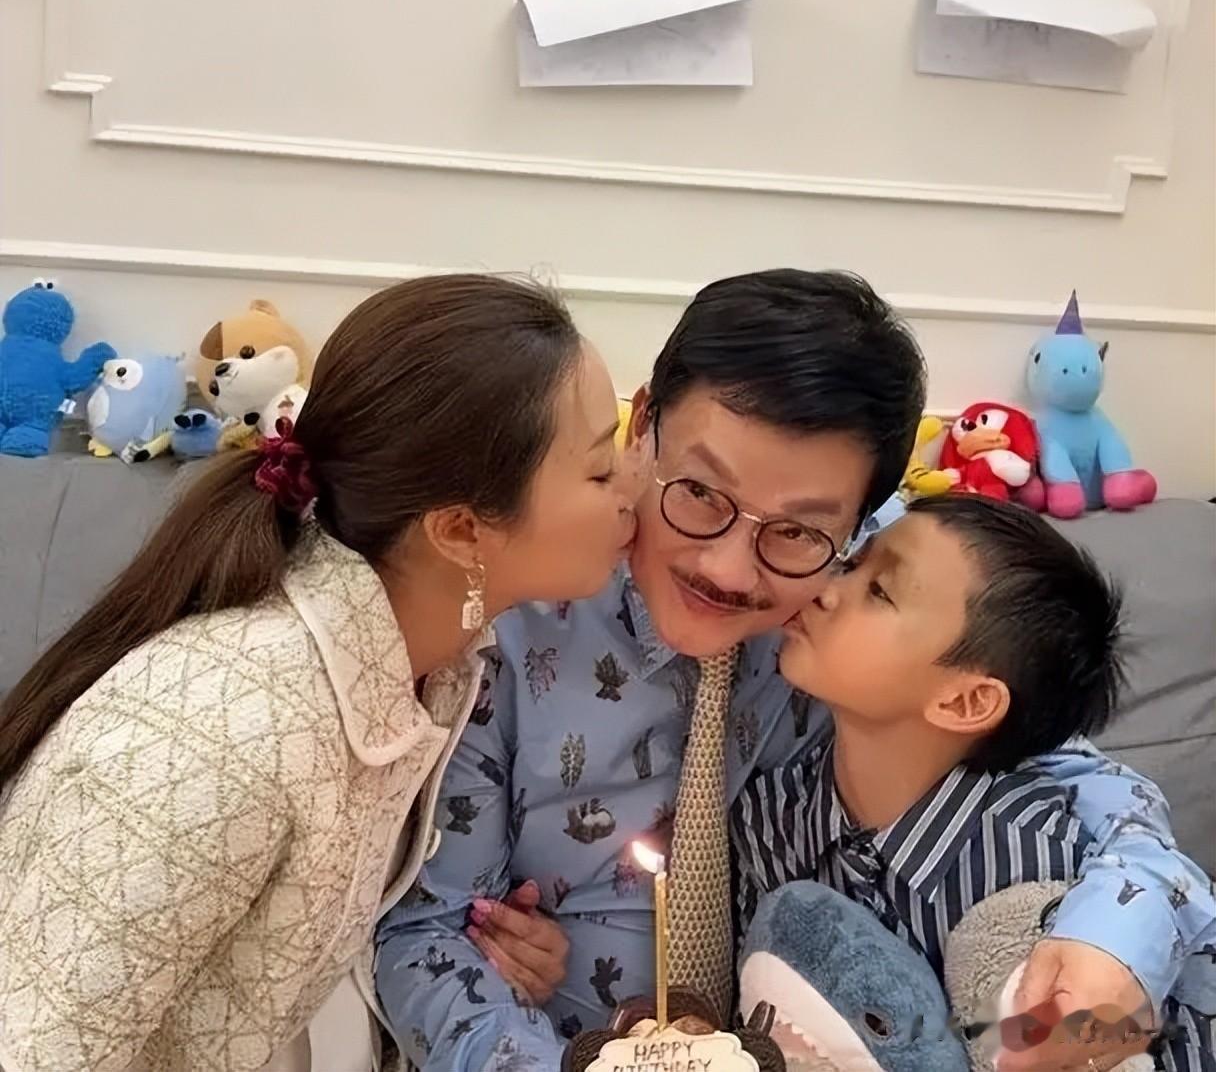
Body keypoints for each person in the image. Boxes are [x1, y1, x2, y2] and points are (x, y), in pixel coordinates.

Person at [375, 269, 1216, 1072]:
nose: (729, 569)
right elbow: (427, 932)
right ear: (643, 427)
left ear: (857, 525)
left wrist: (1118, 940)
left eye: (799, 533)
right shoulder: (523, 595)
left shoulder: (866, 595)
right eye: (701, 493)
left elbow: (1079, 780)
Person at [0, 275, 637, 1072]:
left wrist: (487, 948)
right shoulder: (226, 738)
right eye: (601, 470)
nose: (633, 492)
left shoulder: (429, 667)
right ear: (460, 530)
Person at [732, 493, 1213, 1071]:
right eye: (853, 562)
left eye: (879, 591)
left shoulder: (1054, 869)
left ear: (964, 701)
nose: (826, 588)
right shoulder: (767, 825)